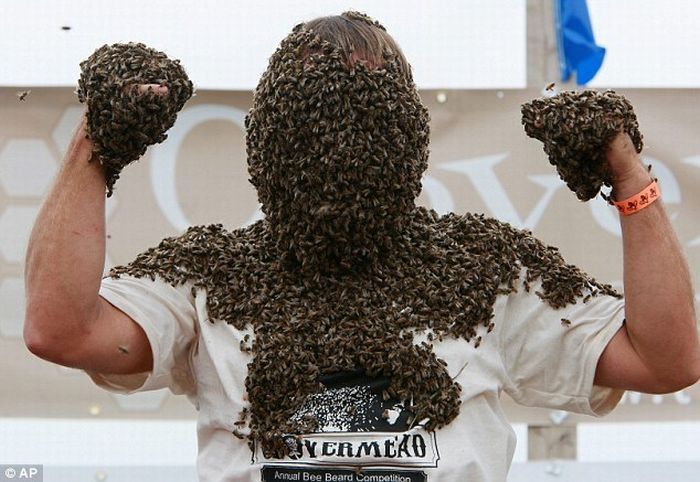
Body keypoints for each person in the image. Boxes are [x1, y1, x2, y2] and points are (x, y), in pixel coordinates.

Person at [24, 12, 699, 482]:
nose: (341, 145)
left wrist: (629, 179)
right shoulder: (207, 276)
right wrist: (97, 140)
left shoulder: (489, 274)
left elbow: (664, 358)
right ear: (271, 140)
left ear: (404, 136)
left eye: (364, 117)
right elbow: (62, 328)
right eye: (322, 114)